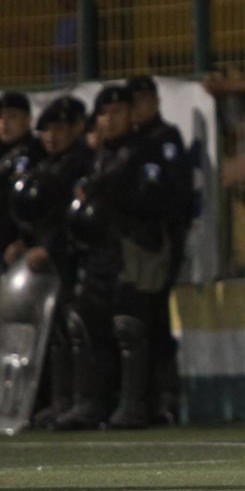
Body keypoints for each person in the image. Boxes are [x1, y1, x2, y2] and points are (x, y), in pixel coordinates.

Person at [61, 85, 172, 429]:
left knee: (130, 326)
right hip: (98, 254)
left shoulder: (145, 149)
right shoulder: (94, 155)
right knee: (84, 323)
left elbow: (150, 202)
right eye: (105, 114)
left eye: (119, 111)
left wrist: (101, 185)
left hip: (133, 253)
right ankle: (89, 403)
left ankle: (135, 405)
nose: (112, 119)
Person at [8, 96, 92, 426]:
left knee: (78, 329)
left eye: (57, 128)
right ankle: (60, 401)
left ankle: (83, 402)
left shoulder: (81, 165)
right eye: (45, 130)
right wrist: (23, 242)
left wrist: (49, 249)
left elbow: (68, 220)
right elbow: (37, 216)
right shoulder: (47, 165)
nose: (50, 136)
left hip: (73, 260)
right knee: (54, 333)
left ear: (75, 128)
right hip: (48, 263)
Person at [127, 75, 191, 422]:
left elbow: (176, 194)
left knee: (156, 317)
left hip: (159, 242)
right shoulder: (129, 143)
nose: (138, 107)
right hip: (132, 244)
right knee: (135, 320)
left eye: (142, 100)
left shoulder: (165, 138)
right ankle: (142, 397)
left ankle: (166, 398)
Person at [0, 91, 45, 263]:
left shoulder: (35, 153)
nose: (5, 123)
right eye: (1, 116)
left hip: (17, 250)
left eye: (12, 116)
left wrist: (26, 239)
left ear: (27, 119)